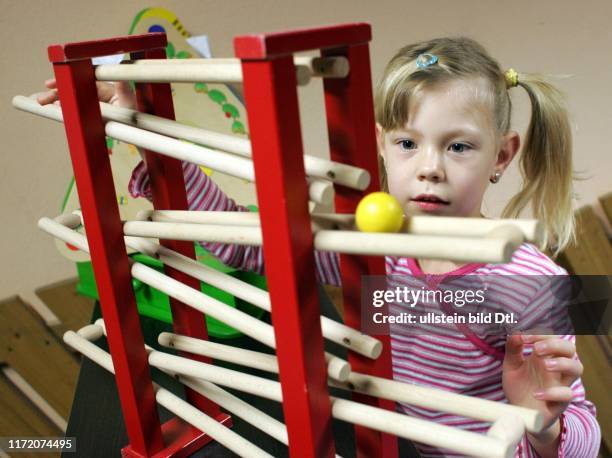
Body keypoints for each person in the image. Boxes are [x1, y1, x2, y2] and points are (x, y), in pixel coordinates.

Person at [38, 36, 601, 457]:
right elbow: (245, 244)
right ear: (382, 146)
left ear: (501, 156)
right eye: (408, 143)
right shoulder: (374, 243)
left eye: (458, 146)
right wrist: (145, 132)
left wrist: (543, 425)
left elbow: (585, 431)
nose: (429, 169)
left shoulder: (527, 281)